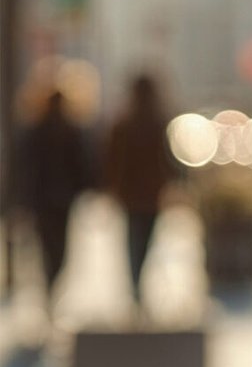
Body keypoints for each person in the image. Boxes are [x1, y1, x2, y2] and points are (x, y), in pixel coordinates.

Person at [16, 82, 94, 323]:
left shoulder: (58, 130)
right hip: (54, 200)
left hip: (50, 200)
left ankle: (50, 290)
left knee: (51, 248)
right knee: (55, 249)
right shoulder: (50, 130)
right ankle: (50, 290)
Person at [103, 71, 175, 308]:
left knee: (134, 239)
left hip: (132, 195)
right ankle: (137, 283)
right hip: (149, 193)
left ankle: (136, 283)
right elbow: (167, 162)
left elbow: (113, 162)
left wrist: (113, 189)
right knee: (144, 239)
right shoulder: (156, 122)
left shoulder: (125, 124)